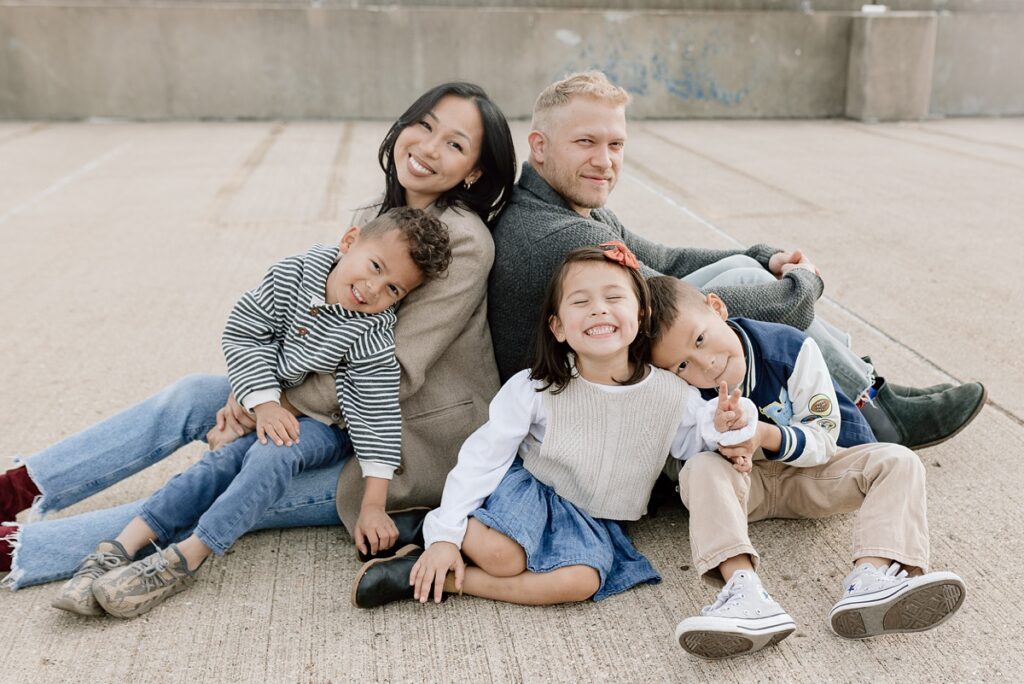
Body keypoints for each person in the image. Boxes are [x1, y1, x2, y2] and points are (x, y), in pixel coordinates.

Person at [0, 82, 517, 590]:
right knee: (192, 395)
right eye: (425, 126)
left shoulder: (463, 243)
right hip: (326, 406)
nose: (429, 147)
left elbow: (396, 372)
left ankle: (19, 551)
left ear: (473, 171)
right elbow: (304, 321)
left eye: (454, 143)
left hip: (402, 440)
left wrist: (272, 404)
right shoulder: (374, 217)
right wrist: (253, 389)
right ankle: (18, 487)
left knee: (219, 486)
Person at [487, 70, 986, 452]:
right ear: (540, 146)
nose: (605, 161)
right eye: (586, 143)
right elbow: (667, 309)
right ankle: (872, 408)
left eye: (616, 144)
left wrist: (761, 255)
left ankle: (869, 392)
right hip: (592, 418)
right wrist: (800, 288)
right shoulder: (559, 235)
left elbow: (667, 258)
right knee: (741, 289)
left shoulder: (565, 204)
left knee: (743, 271)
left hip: (614, 370)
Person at [50, 208, 452, 618]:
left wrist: (372, 505)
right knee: (221, 462)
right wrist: (263, 402)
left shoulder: (372, 332)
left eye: (393, 290)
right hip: (267, 398)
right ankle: (116, 549)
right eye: (375, 267)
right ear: (349, 242)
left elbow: (376, 415)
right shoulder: (293, 274)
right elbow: (245, 333)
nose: (373, 289)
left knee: (273, 452)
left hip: (328, 426)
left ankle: (185, 558)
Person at [349, 243, 757, 608]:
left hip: (596, 518)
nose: (599, 308)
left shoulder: (672, 393)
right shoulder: (538, 388)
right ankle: (435, 531)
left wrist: (731, 426)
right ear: (558, 327)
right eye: (580, 302)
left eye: (614, 297)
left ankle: (447, 580)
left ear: (641, 313)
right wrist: (446, 534)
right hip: (535, 493)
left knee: (581, 581)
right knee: (503, 558)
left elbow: (707, 436)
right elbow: (484, 458)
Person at [646, 276, 966, 659]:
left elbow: (824, 438)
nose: (706, 364)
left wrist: (764, 435)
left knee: (899, 460)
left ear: (717, 309)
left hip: (819, 474)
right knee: (697, 469)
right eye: (683, 364)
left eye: (700, 340)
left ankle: (872, 577)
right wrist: (723, 443)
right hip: (750, 488)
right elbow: (686, 450)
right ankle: (743, 592)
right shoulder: (683, 391)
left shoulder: (788, 348)